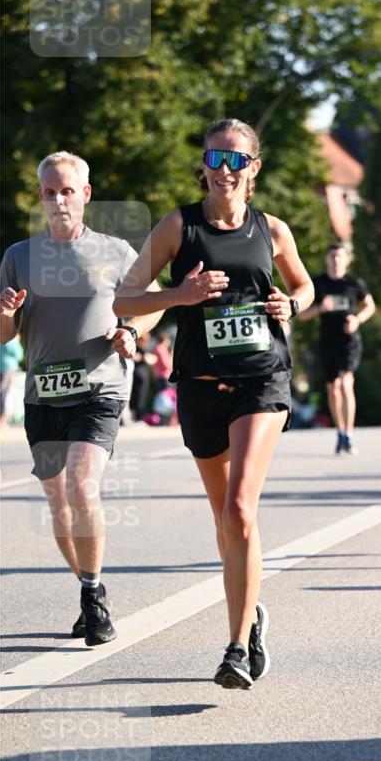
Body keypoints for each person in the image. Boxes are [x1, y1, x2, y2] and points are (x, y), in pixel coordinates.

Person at [113, 117, 314, 689]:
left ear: (253, 169)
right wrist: (180, 296)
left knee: (241, 510)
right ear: (203, 164)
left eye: (237, 160)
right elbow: (127, 298)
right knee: (224, 521)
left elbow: (305, 285)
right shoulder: (179, 226)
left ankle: (235, 647)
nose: (225, 170)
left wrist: (291, 307)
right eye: (216, 158)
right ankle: (252, 615)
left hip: (262, 380)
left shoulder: (272, 230)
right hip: (200, 384)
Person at [0, 151, 162, 644]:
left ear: (85, 194)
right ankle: (88, 584)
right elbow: (4, 336)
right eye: (49, 192)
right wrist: (6, 310)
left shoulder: (115, 252)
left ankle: (92, 599)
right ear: (41, 196)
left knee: (81, 486)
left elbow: (151, 303)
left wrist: (131, 329)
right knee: (58, 501)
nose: (58, 200)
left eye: (67, 190)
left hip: (100, 389)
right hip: (43, 394)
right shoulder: (18, 257)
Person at [299, 243, 375, 454]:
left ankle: (349, 434)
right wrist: (319, 308)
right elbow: (302, 315)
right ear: (326, 259)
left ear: (346, 259)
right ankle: (340, 433)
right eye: (332, 256)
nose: (335, 260)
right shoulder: (318, 284)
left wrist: (357, 319)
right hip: (327, 341)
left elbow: (370, 305)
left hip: (349, 341)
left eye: (339, 256)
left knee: (345, 383)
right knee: (333, 389)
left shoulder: (353, 283)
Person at [0, 334, 23, 427]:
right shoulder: (9, 338)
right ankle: (2, 419)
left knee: (2, 393)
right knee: (5, 394)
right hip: (8, 369)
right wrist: (16, 341)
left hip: (1, 367)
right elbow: (19, 354)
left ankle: (1, 419)